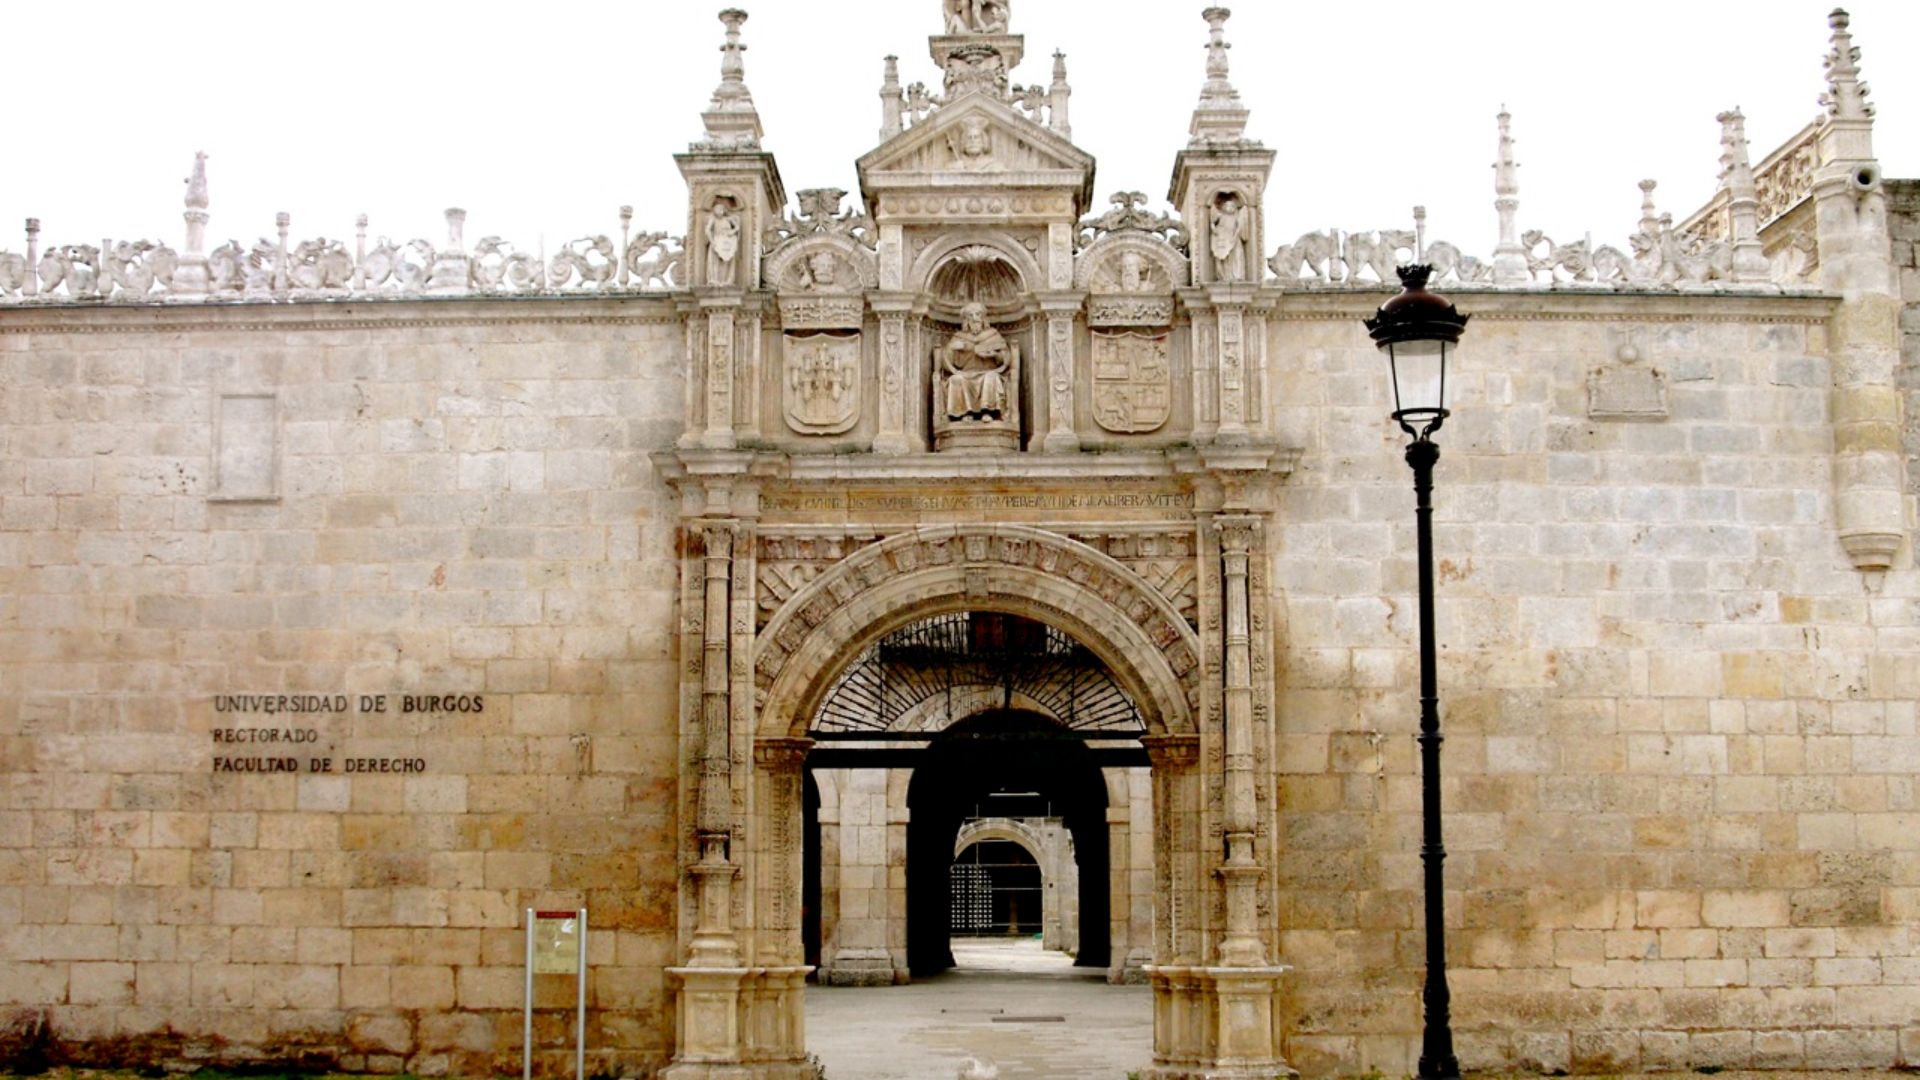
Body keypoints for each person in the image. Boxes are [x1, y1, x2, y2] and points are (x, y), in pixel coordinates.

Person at [941, 302, 1009, 420]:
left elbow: (1006, 357)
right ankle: (965, 413)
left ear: (983, 318)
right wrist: (952, 349)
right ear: (966, 320)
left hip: (988, 372)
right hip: (965, 374)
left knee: (991, 377)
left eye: (978, 314)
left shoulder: (993, 335)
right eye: (970, 316)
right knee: (956, 379)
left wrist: (994, 355)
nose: (974, 318)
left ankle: (988, 412)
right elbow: (946, 363)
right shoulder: (959, 336)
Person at [1210, 193, 1250, 282]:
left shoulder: (1236, 217)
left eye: (1232, 206)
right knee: (1223, 258)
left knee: (1236, 256)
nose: (1230, 207)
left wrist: (1235, 236)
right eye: (1228, 205)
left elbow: (1239, 228)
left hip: (1233, 240)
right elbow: (1212, 222)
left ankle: (1236, 275)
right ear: (1224, 207)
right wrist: (1214, 230)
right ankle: (1224, 276)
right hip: (1222, 239)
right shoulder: (1220, 216)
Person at [705, 199, 740, 286]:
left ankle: (727, 280)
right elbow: (707, 230)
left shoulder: (728, 219)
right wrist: (712, 241)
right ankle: (714, 279)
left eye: (721, 209)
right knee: (714, 262)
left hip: (728, 243)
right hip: (717, 243)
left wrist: (732, 232)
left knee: (727, 262)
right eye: (717, 210)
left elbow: (737, 227)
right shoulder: (713, 219)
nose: (719, 212)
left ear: (724, 211)